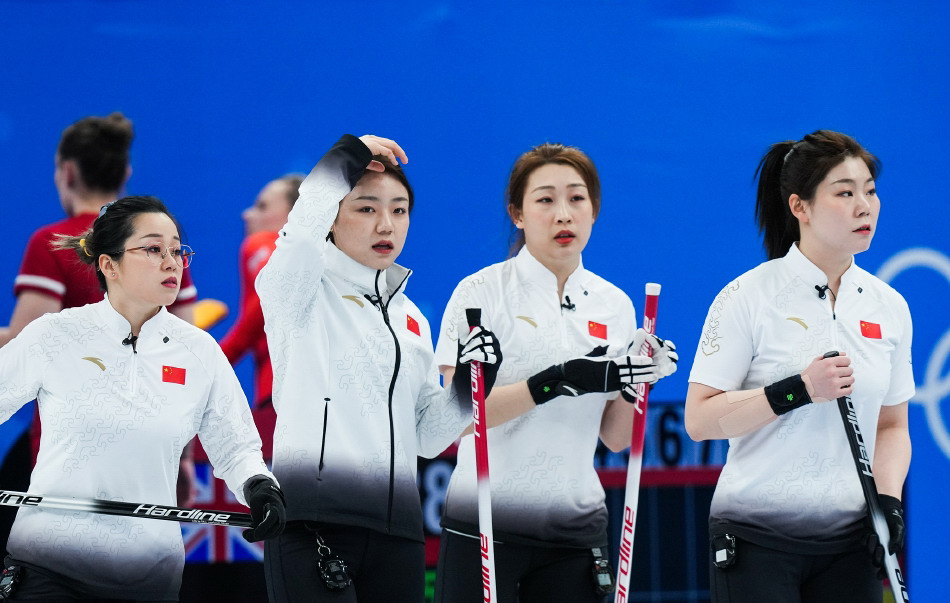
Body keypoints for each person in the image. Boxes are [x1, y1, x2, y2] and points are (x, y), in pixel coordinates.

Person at [0, 195, 285, 601]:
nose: (172, 263)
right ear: (109, 264)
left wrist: (258, 486)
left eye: (177, 250)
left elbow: (237, 448)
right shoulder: (55, 335)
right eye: (153, 249)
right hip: (48, 566)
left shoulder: (199, 352)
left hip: (150, 577)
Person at [431, 142, 679, 603]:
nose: (563, 214)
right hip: (484, 522)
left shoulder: (615, 304)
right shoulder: (480, 293)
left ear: (594, 210)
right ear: (517, 214)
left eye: (577, 198)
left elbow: (616, 438)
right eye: (545, 199)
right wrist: (552, 382)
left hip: (575, 528)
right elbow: (454, 419)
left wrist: (637, 384)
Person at [684, 130, 912, 602]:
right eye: (844, 193)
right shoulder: (746, 297)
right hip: (755, 537)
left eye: (870, 191)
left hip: (851, 543)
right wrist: (799, 389)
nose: (864, 206)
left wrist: (888, 503)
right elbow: (700, 420)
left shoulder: (889, 306)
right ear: (799, 207)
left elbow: (892, 425)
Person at [219, 174, 302, 457]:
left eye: (262, 206)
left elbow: (271, 294)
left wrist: (214, 361)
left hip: (283, 401)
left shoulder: (263, 243)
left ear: (295, 217)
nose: (247, 214)